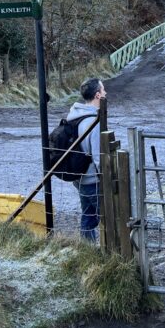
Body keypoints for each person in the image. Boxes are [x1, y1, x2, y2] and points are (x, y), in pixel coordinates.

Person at [67, 77, 105, 242]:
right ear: (97, 95)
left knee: (88, 216)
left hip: (78, 177)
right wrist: (106, 178)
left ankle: (87, 250)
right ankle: (111, 255)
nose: (105, 93)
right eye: (103, 90)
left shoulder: (73, 116)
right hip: (92, 179)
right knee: (107, 217)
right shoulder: (93, 122)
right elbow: (99, 157)